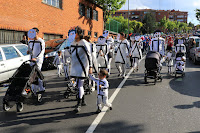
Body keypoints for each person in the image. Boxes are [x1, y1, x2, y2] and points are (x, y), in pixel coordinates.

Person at [70, 26, 92, 112]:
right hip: (74, 66)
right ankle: (82, 100)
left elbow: (89, 55)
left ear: (79, 34)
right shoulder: (72, 43)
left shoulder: (84, 43)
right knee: (78, 85)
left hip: (83, 66)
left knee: (79, 85)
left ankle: (78, 104)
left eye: (74, 33)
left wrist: (90, 67)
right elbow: (70, 54)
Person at [27, 27, 45, 102]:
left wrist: (36, 58)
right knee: (32, 75)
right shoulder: (30, 42)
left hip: (38, 61)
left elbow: (42, 52)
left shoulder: (41, 41)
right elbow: (30, 50)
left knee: (35, 74)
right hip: (32, 60)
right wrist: (29, 52)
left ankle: (38, 90)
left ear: (37, 33)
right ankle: (38, 89)